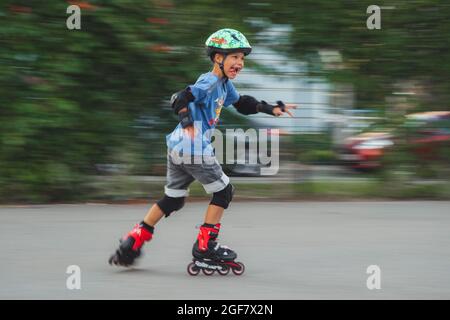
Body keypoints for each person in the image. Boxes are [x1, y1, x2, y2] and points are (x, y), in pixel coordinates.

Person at [109, 28, 296, 270]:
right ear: (218, 57)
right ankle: (205, 247)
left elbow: (242, 103)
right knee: (224, 192)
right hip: (193, 148)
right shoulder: (209, 81)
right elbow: (179, 98)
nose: (239, 63)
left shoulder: (224, 85)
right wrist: (187, 121)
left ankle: (134, 240)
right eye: (234, 57)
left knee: (173, 200)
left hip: (176, 148)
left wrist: (271, 109)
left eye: (242, 58)